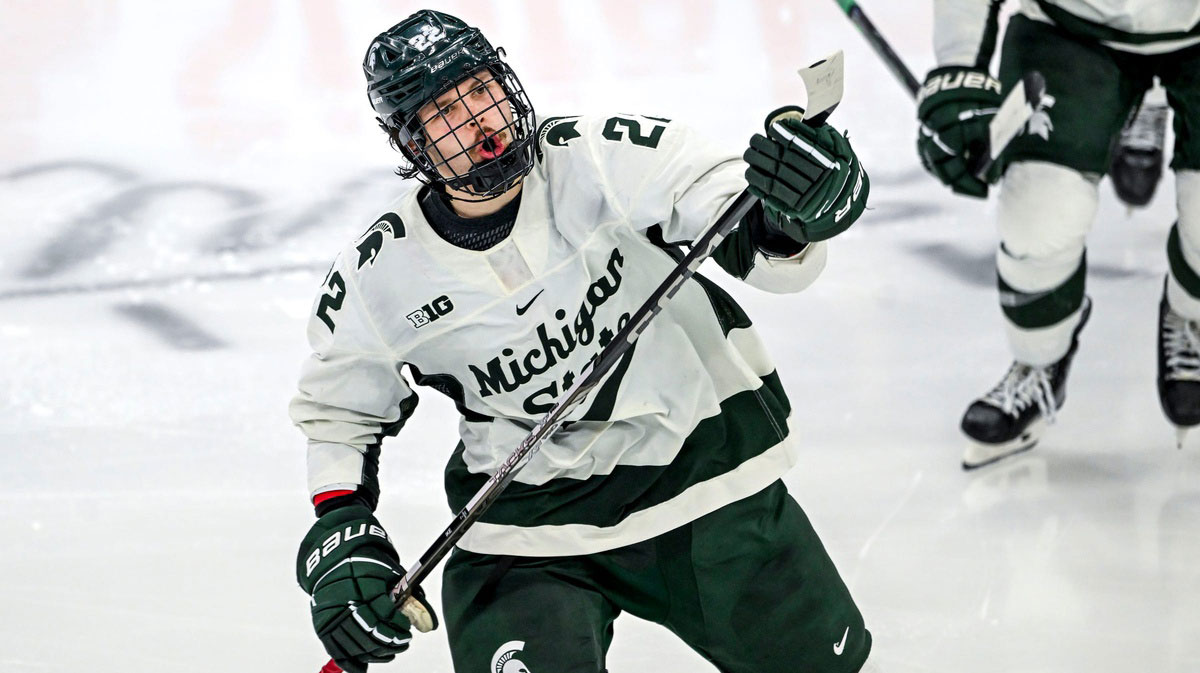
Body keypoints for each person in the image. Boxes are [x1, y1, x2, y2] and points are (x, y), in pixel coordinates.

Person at [290, 9, 874, 673]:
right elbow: (339, 411)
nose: (481, 119)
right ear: (413, 144)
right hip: (527, 528)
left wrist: (793, 213)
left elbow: (734, 212)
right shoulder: (381, 273)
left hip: (702, 473)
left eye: (482, 89)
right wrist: (341, 529)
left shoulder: (597, 154)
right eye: (447, 111)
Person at [916, 0, 1200, 469]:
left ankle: (1191, 316)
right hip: (1069, 28)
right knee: (1039, 210)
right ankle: (1039, 359)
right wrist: (959, 71)